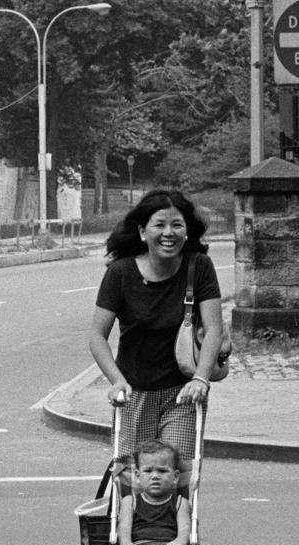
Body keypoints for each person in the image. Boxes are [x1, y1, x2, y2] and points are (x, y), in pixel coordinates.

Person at [88, 189, 224, 492]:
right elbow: (97, 336)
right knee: (132, 481)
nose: (168, 233)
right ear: (142, 231)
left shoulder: (198, 267)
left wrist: (201, 378)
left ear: (187, 231)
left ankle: (180, 536)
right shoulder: (120, 274)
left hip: (182, 394)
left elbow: (214, 328)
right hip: (134, 394)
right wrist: (116, 381)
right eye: (159, 225)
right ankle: (126, 538)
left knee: (174, 477)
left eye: (177, 225)